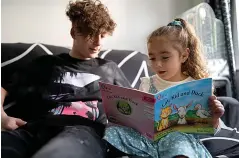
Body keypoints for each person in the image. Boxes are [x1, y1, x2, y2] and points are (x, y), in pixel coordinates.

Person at [1, 0, 131, 158]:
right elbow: (4, 89)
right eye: (91, 34)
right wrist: (2, 117)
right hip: (35, 129)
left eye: (102, 35)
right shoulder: (46, 64)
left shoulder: (110, 69)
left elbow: (134, 107)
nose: (98, 42)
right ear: (74, 32)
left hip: (83, 130)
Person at [104, 18, 226, 158]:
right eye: (152, 58)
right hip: (148, 141)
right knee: (112, 132)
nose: (158, 64)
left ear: (184, 55)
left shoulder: (197, 85)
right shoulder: (146, 83)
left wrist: (215, 118)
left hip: (180, 142)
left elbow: (210, 130)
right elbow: (137, 121)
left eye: (165, 57)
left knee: (177, 142)